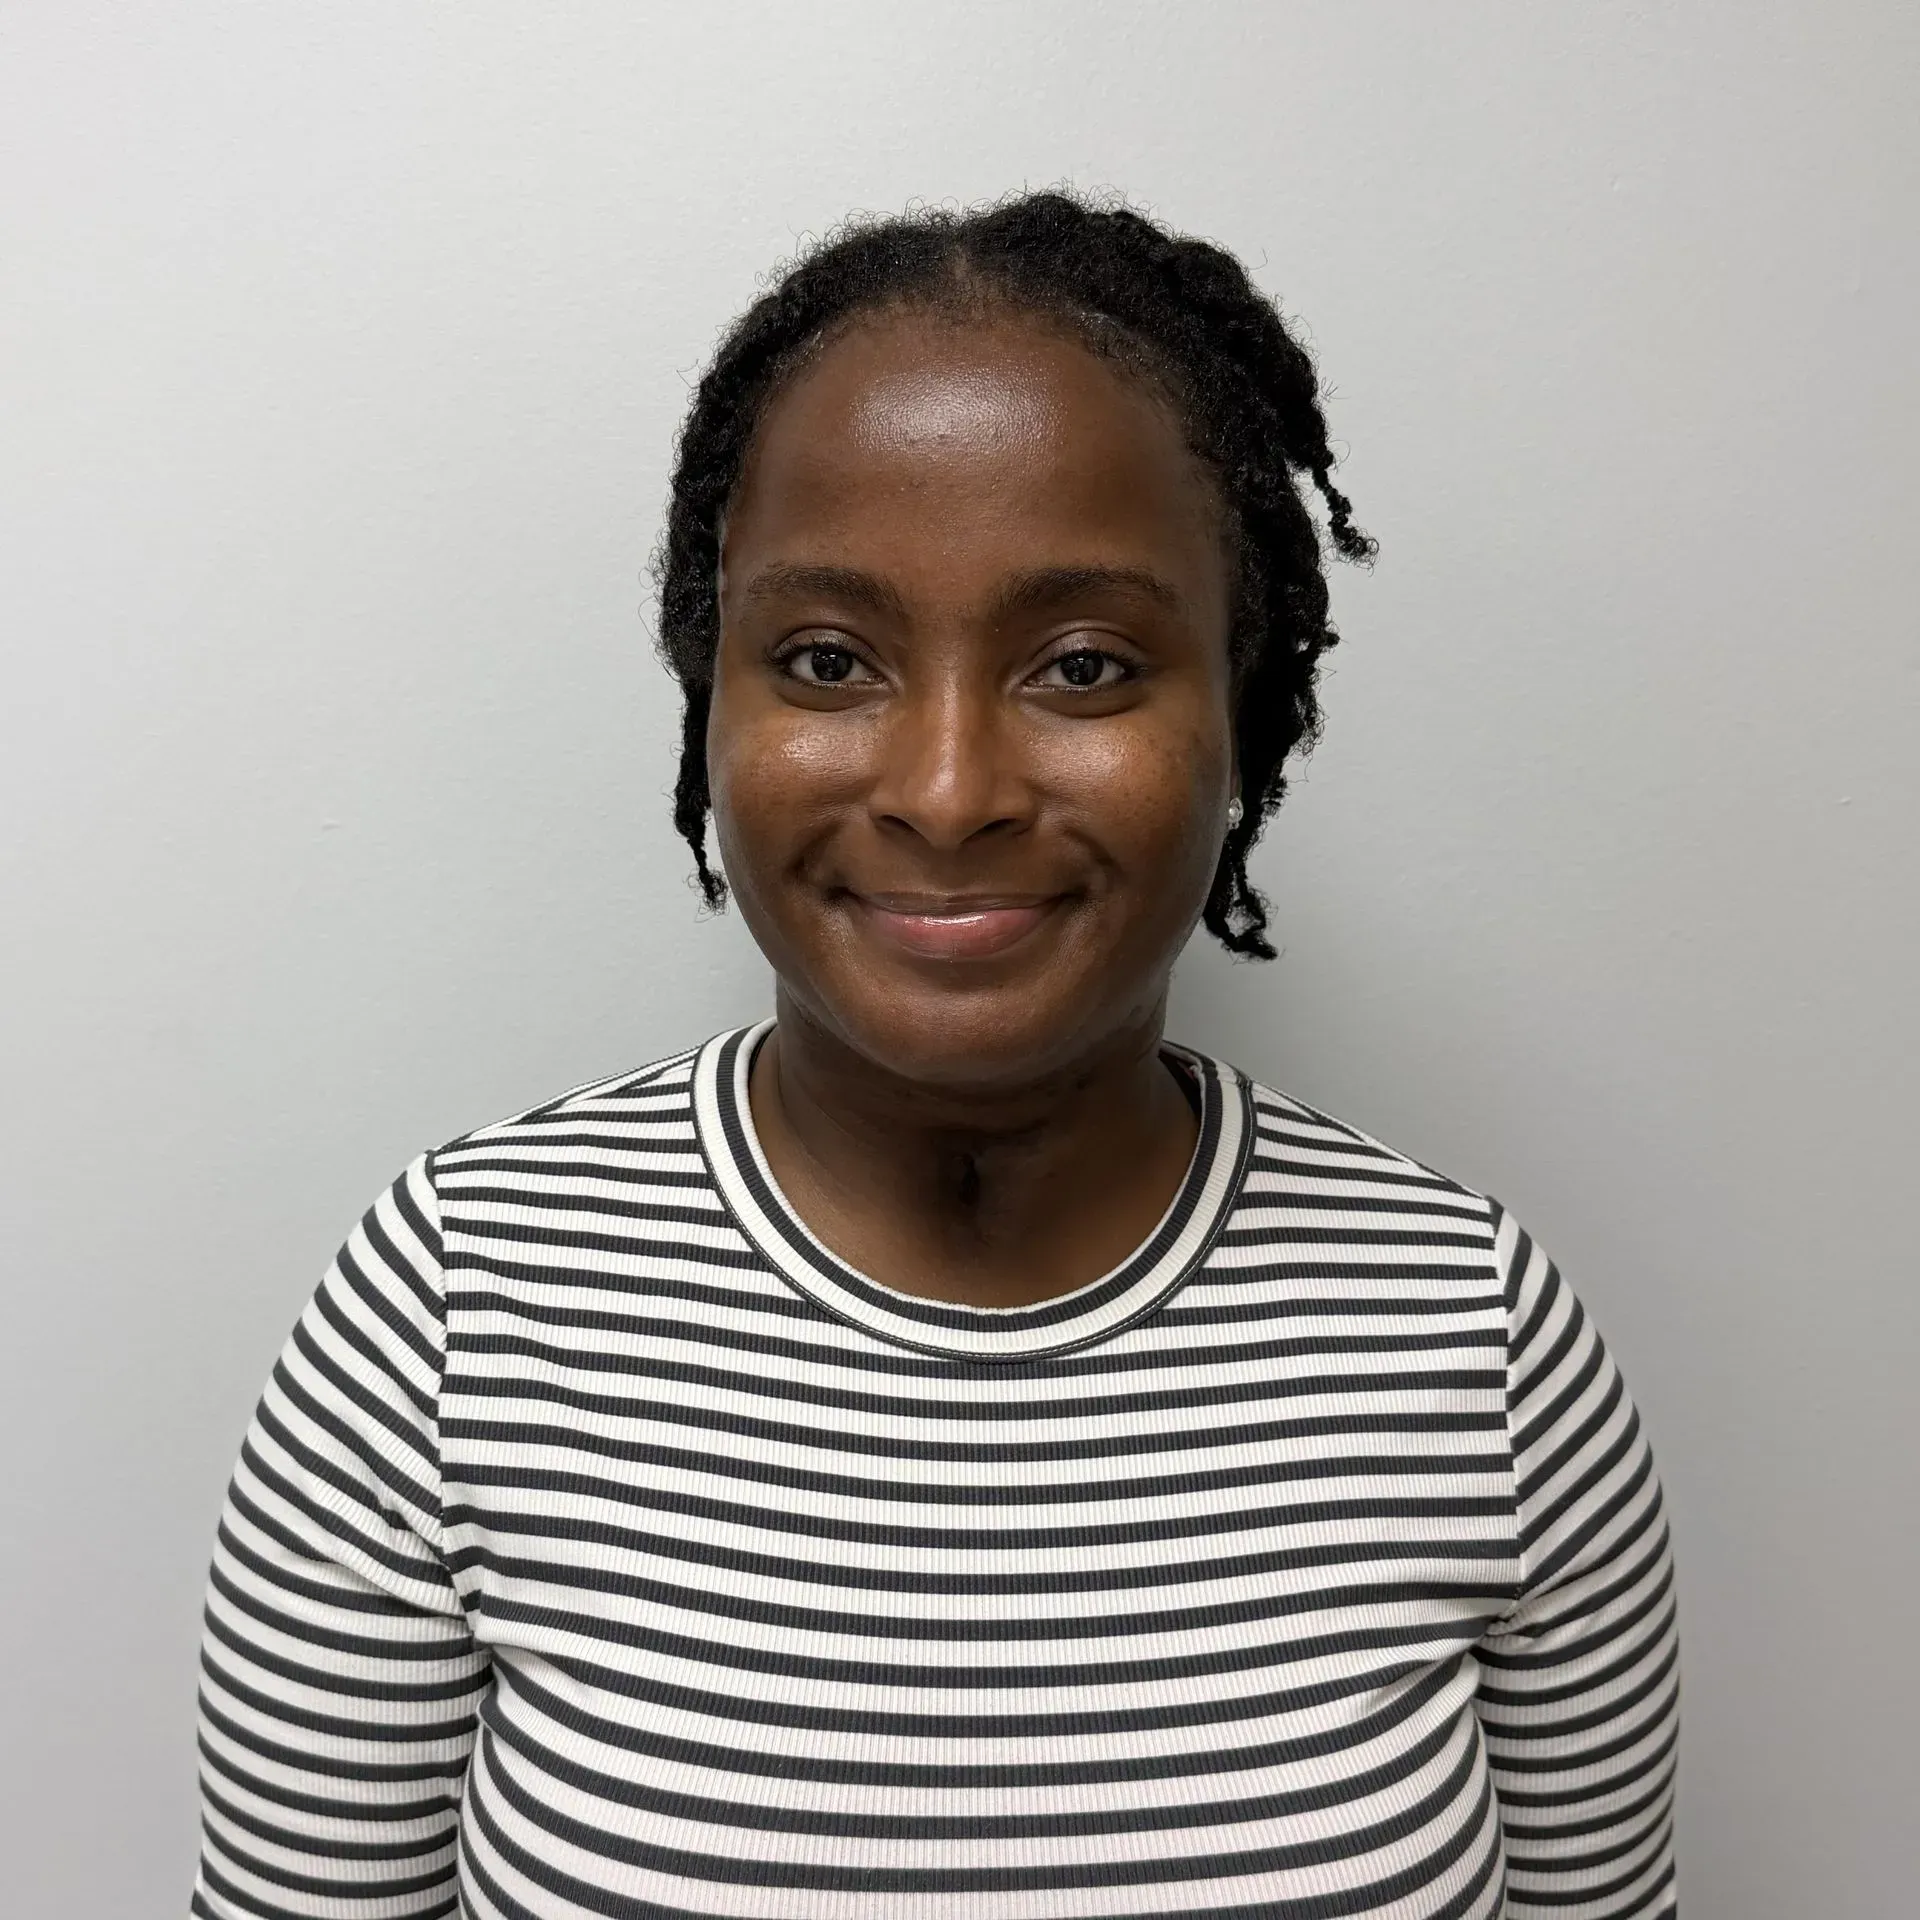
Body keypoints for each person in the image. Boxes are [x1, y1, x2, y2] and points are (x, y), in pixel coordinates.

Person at [188, 193, 1678, 1920]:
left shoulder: (1478, 1342)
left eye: (1083, 664)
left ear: (1243, 710)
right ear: (711, 696)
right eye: (828, 660)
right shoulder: (448, 1311)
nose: (951, 789)